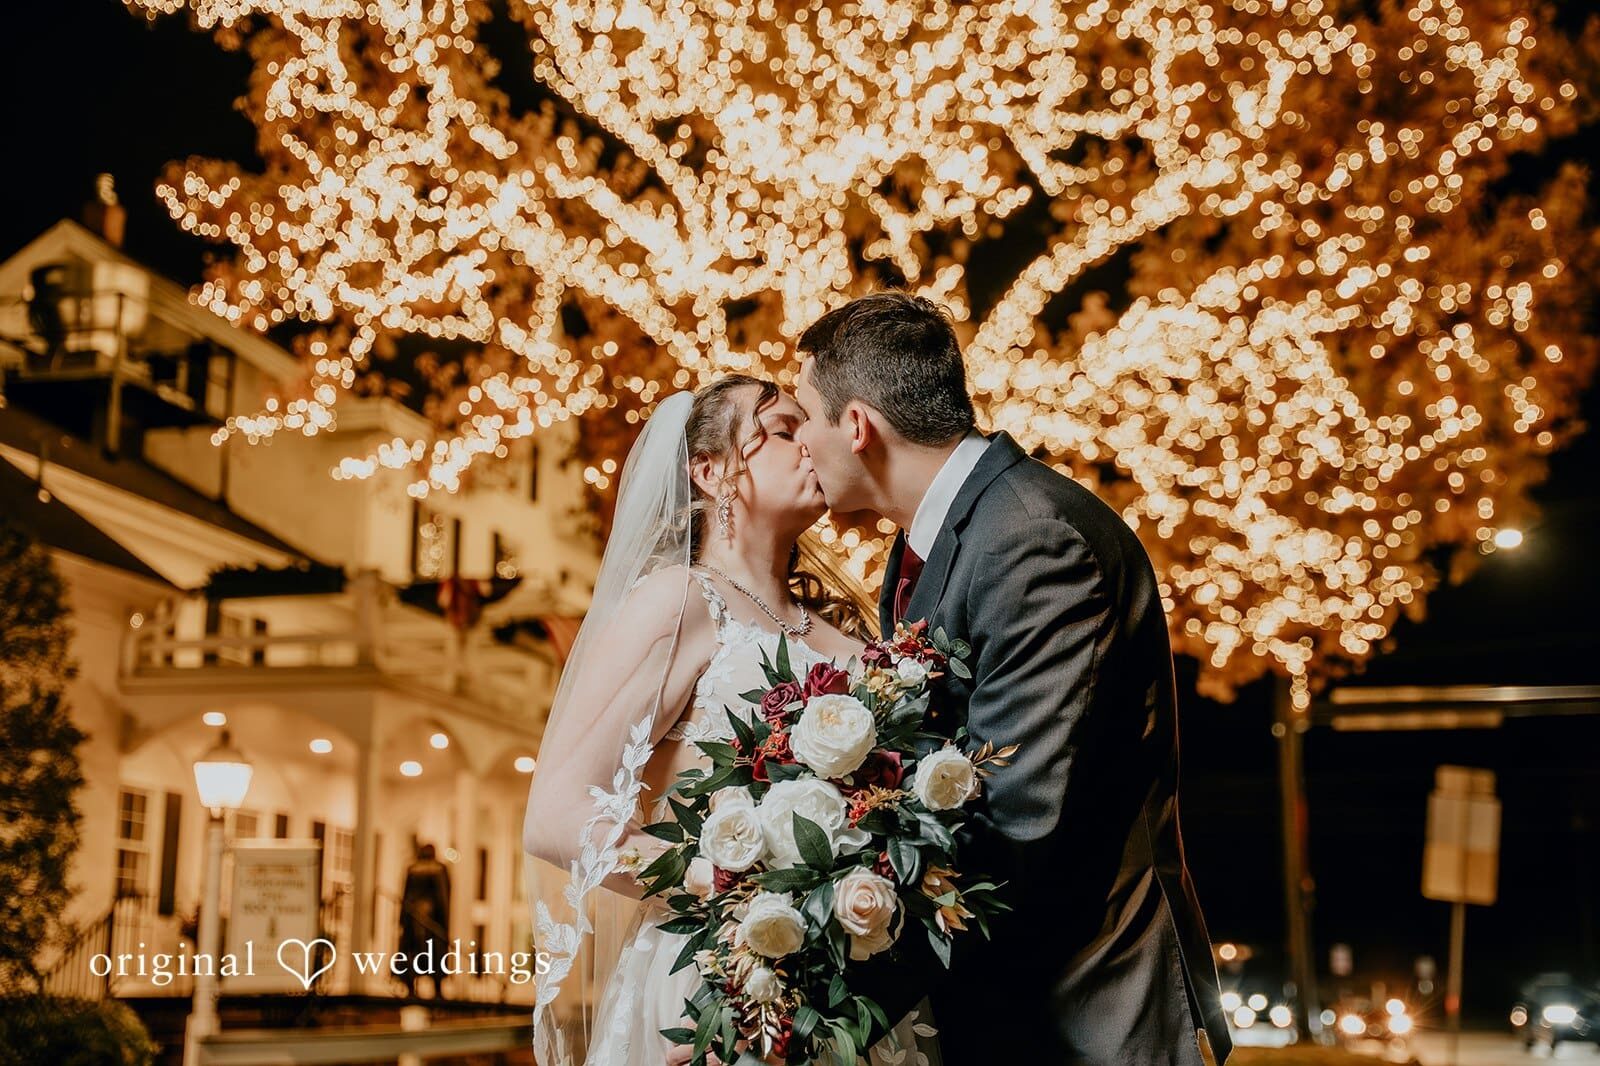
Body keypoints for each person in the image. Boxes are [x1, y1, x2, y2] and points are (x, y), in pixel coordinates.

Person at [791, 291, 1232, 1066]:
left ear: (856, 426)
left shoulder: (1031, 539)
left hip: (1084, 1012)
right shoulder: (931, 543)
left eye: (803, 419)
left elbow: (1013, 819)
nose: (800, 446)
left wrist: (821, 1009)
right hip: (1005, 1007)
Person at [522, 376, 938, 1066]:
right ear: (712, 472)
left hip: (851, 983)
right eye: (781, 430)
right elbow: (556, 816)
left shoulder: (858, 641)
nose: (810, 443)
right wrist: (727, 883)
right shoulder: (679, 603)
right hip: (715, 980)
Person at [399, 842, 452, 1000]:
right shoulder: (439, 870)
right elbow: (444, 898)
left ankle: (412, 985)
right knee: (430, 954)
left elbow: (406, 896)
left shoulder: (414, 869)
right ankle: (434, 988)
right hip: (430, 922)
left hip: (422, 920)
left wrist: (402, 919)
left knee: (417, 953)